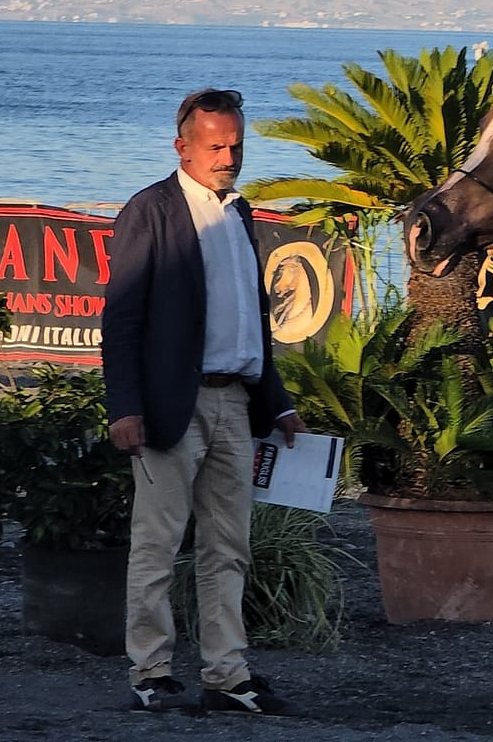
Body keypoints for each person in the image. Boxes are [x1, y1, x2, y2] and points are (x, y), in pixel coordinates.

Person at [103, 87, 304, 716]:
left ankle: (227, 674)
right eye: (215, 147)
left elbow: (251, 321)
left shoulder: (240, 213)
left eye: (235, 146)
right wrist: (124, 407)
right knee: (157, 543)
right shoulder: (151, 211)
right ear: (182, 147)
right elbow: (122, 317)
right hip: (171, 405)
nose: (228, 157)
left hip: (234, 402)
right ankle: (152, 671)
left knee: (229, 546)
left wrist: (276, 401)